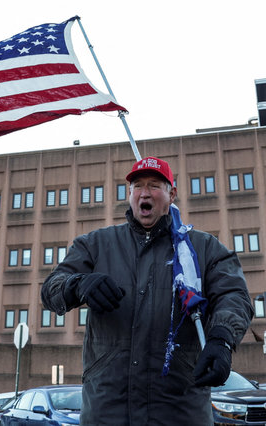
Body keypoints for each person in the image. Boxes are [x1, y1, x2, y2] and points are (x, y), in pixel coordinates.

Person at [40, 156, 254, 425]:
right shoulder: (95, 244)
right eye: (137, 186)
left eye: (154, 185)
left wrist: (221, 338)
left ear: (171, 194)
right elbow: (51, 290)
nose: (144, 192)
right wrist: (79, 284)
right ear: (129, 194)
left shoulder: (203, 248)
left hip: (179, 409)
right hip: (108, 410)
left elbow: (234, 295)